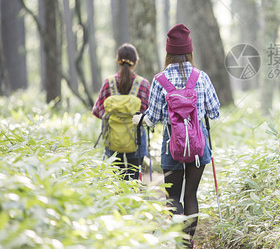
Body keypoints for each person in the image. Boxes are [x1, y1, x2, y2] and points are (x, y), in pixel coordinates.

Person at [136, 24, 220, 248]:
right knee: (191, 195)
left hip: (170, 144)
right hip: (198, 145)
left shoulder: (160, 80)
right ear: (189, 51)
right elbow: (215, 111)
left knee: (172, 197)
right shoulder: (201, 77)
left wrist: (140, 119)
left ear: (168, 52)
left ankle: (181, 243)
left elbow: (152, 118)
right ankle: (189, 241)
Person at [92, 43, 150, 180]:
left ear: (117, 61)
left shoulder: (109, 82)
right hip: (136, 141)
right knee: (133, 180)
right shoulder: (143, 84)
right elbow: (148, 114)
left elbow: (97, 111)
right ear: (136, 62)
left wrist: (116, 118)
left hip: (112, 141)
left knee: (116, 181)